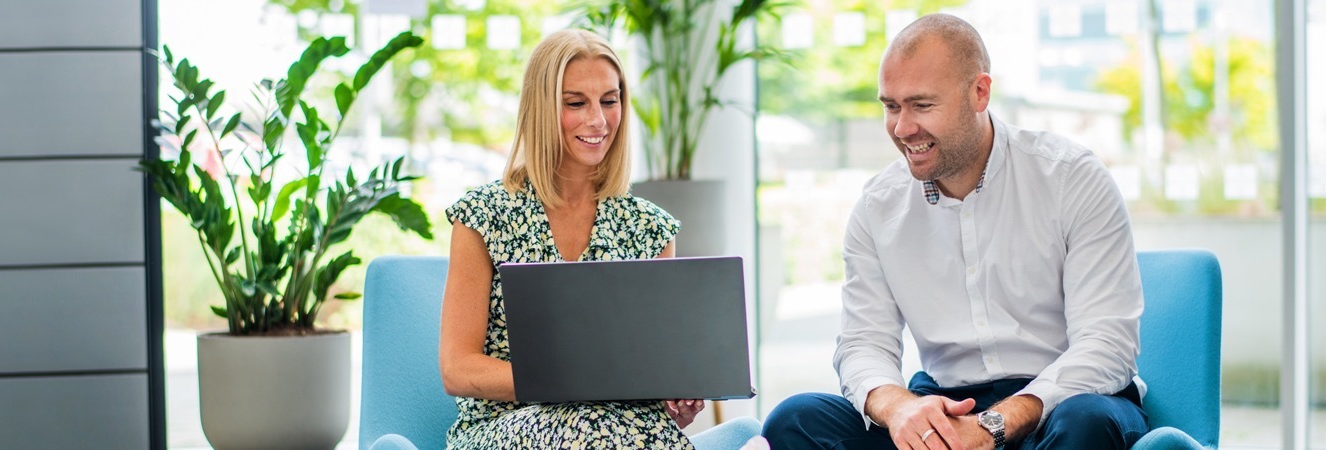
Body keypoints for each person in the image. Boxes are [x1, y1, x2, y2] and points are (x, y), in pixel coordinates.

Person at [760, 13, 1149, 450]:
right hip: (945, 409)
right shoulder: (877, 207)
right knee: (796, 420)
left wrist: (993, 425)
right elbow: (862, 343)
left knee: (1086, 422)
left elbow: (1108, 343)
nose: (903, 128)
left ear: (980, 92)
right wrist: (900, 407)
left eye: (922, 105)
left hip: (1060, 405)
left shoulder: (1070, 177)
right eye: (891, 106)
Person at [438, 28, 703, 449]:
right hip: (506, 428)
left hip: (623, 431)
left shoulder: (652, 229)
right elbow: (457, 369)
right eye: (576, 103)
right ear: (541, 109)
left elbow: (653, 378)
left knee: (618, 429)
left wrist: (677, 402)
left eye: (610, 100)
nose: (597, 119)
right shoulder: (483, 216)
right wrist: (577, 381)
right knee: (587, 424)